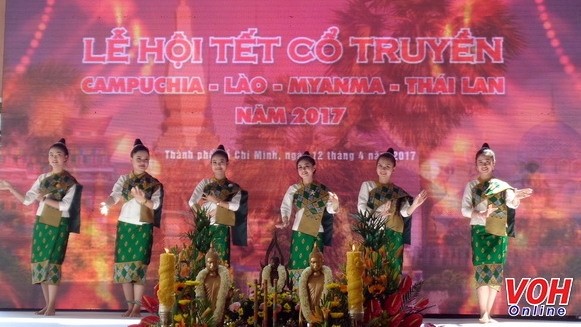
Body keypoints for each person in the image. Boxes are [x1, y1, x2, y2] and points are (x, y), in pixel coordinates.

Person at [0, 138, 82, 316]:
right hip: (43, 222)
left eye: (58, 155)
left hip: (59, 222)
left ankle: (52, 304)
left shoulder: (70, 181)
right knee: (42, 261)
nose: (54, 158)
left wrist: (44, 199)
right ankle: (48, 303)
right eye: (51, 155)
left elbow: (65, 206)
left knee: (53, 261)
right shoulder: (42, 178)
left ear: (66, 157)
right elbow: (27, 200)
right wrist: (10, 187)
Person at [461, 143, 533, 324]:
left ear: (494, 164)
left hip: (498, 231)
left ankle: (487, 314)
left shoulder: (502, 186)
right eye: (480, 162)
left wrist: (516, 198)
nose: (484, 165)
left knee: (495, 271)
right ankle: (482, 313)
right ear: (476, 165)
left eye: (488, 162)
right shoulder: (471, 186)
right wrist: (479, 214)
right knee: (481, 269)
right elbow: (464, 210)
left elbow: (512, 204)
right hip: (479, 231)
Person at [100, 139, 164, 317]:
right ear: (131, 159)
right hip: (125, 226)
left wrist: (143, 199)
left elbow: (155, 205)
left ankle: (137, 307)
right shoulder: (124, 180)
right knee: (124, 267)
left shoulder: (154, 184)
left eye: (146, 159)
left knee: (139, 268)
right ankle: (130, 306)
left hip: (143, 228)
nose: (143, 162)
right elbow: (114, 196)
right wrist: (106, 204)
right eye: (139, 158)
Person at [357, 148, 427, 276]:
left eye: (387, 166)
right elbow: (361, 208)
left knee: (393, 271)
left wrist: (415, 205)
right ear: (376, 167)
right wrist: (378, 213)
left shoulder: (398, 192)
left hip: (395, 233)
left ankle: (394, 296)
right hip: (375, 231)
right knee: (374, 268)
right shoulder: (368, 185)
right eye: (380, 166)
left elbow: (405, 212)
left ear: (393, 169)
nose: (383, 169)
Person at [276, 151, 339, 272]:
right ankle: (296, 290)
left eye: (306, 166)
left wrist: (335, 203)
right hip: (299, 231)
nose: (303, 169)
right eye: (300, 167)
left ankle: (316, 290)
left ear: (314, 167)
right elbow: (285, 207)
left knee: (315, 266)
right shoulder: (294, 189)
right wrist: (285, 219)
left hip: (317, 232)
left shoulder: (322, 190)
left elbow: (331, 209)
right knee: (297, 264)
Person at [188, 144, 247, 264]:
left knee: (220, 263)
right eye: (214, 162)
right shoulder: (205, 183)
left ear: (227, 164)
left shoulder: (233, 187)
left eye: (221, 162)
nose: (218, 165)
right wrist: (202, 215)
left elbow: (235, 206)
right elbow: (192, 201)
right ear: (210, 164)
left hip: (221, 227)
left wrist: (217, 202)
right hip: (204, 228)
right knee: (201, 263)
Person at [195, 243, 231, 324]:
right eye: (210, 262)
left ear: (218, 262)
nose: (212, 265)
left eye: (215, 262)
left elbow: (225, 294)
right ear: (205, 263)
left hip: (219, 310)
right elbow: (199, 295)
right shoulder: (202, 278)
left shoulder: (223, 277)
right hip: (206, 310)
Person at [298, 245, 333, 324]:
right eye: (313, 262)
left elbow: (330, 296)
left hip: (323, 312)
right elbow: (303, 297)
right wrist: (300, 316)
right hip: (310, 313)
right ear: (309, 262)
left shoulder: (326, 277)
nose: (316, 265)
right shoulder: (306, 278)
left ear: (322, 261)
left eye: (318, 261)